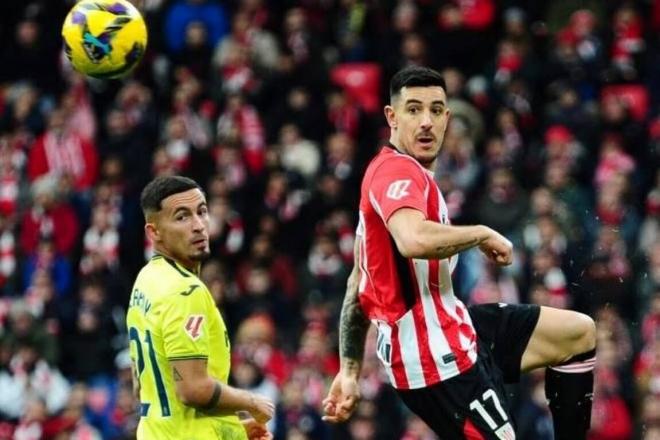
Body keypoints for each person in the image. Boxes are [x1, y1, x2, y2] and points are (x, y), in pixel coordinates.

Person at [322, 66, 596, 440]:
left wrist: (350, 371)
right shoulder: (396, 174)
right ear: (392, 116)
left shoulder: (404, 176)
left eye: (436, 111)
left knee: (578, 335)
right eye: (414, 109)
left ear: (447, 118)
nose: (426, 122)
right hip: (432, 360)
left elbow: (359, 280)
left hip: (456, 325)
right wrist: (481, 234)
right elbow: (413, 239)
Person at [126, 176, 274, 439]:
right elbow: (193, 390)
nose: (198, 225)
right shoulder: (185, 291)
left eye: (202, 212)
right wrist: (250, 401)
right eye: (182, 217)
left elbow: (144, 386)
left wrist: (233, 431)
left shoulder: (145, 281)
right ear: (154, 232)